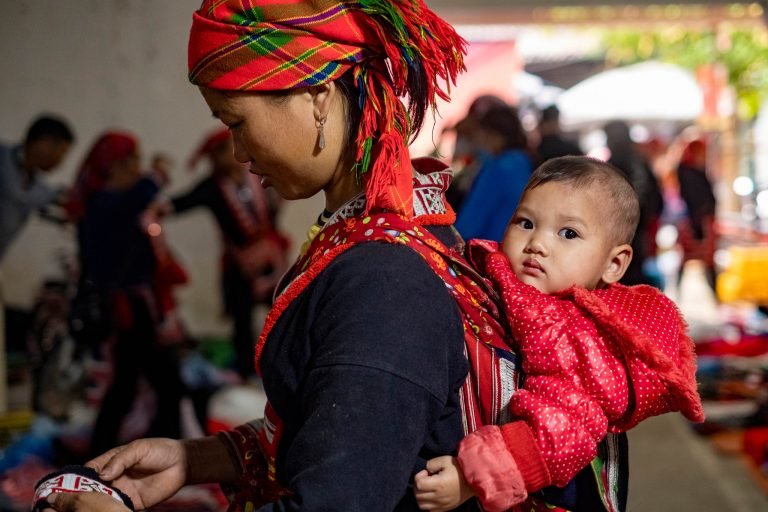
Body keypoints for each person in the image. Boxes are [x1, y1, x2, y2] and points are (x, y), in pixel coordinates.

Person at [41, 3, 627, 512]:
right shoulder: (402, 233)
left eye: (237, 123)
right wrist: (199, 459)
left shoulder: (384, 281)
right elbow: (356, 434)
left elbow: (337, 497)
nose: (239, 152)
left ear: (317, 98)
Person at [414, 156, 704, 512]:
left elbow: (564, 425)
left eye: (568, 233)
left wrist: (471, 477)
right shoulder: (521, 287)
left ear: (613, 264)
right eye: (526, 222)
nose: (537, 243)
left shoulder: (581, 336)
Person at [68, 132, 187, 457]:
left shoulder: (106, 204)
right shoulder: (106, 203)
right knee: (162, 383)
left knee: (132, 385)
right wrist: (158, 173)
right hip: (129, 311)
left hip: (132, 309)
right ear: (117, 166)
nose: (139, 168)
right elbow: (139, 195)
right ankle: (170, 455)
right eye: (134, 161)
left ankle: (111, 451)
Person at [157, 129, 288, 380]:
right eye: (228, 148)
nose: (237, 152)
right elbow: (178, 203)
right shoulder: (212, 188)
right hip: (240, 265)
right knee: (242, 319)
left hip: (273, 260)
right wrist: (151, 202)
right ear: (216, 157)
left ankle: (285, 365)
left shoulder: (259, 172)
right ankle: (247, 373)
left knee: (285, 312)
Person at [0, 114, 74, 261]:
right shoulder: (2, 157)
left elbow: (55, 197)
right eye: (62, 152)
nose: (60, 161)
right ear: (44, 143)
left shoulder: (37, 189)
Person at [455, 104, 533, 242]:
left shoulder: (499, 167)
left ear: (493, 135)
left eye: (481, 134)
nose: (480, 140)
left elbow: (470, 221)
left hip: (485, 249)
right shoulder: (523, 161)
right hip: (510, 244)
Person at [604, 120, 664, 287]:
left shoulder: (617, 161)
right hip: (640, 227)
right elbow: (657, 197)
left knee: (624, 274)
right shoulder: (639, 159)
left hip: (625, 227)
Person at [675, 138, 717, 290]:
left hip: (697, 222)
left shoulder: (691, 170)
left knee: (698, 261)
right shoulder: (689, 171)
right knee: (703, 260)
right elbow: (697, 199)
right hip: (697, 223)